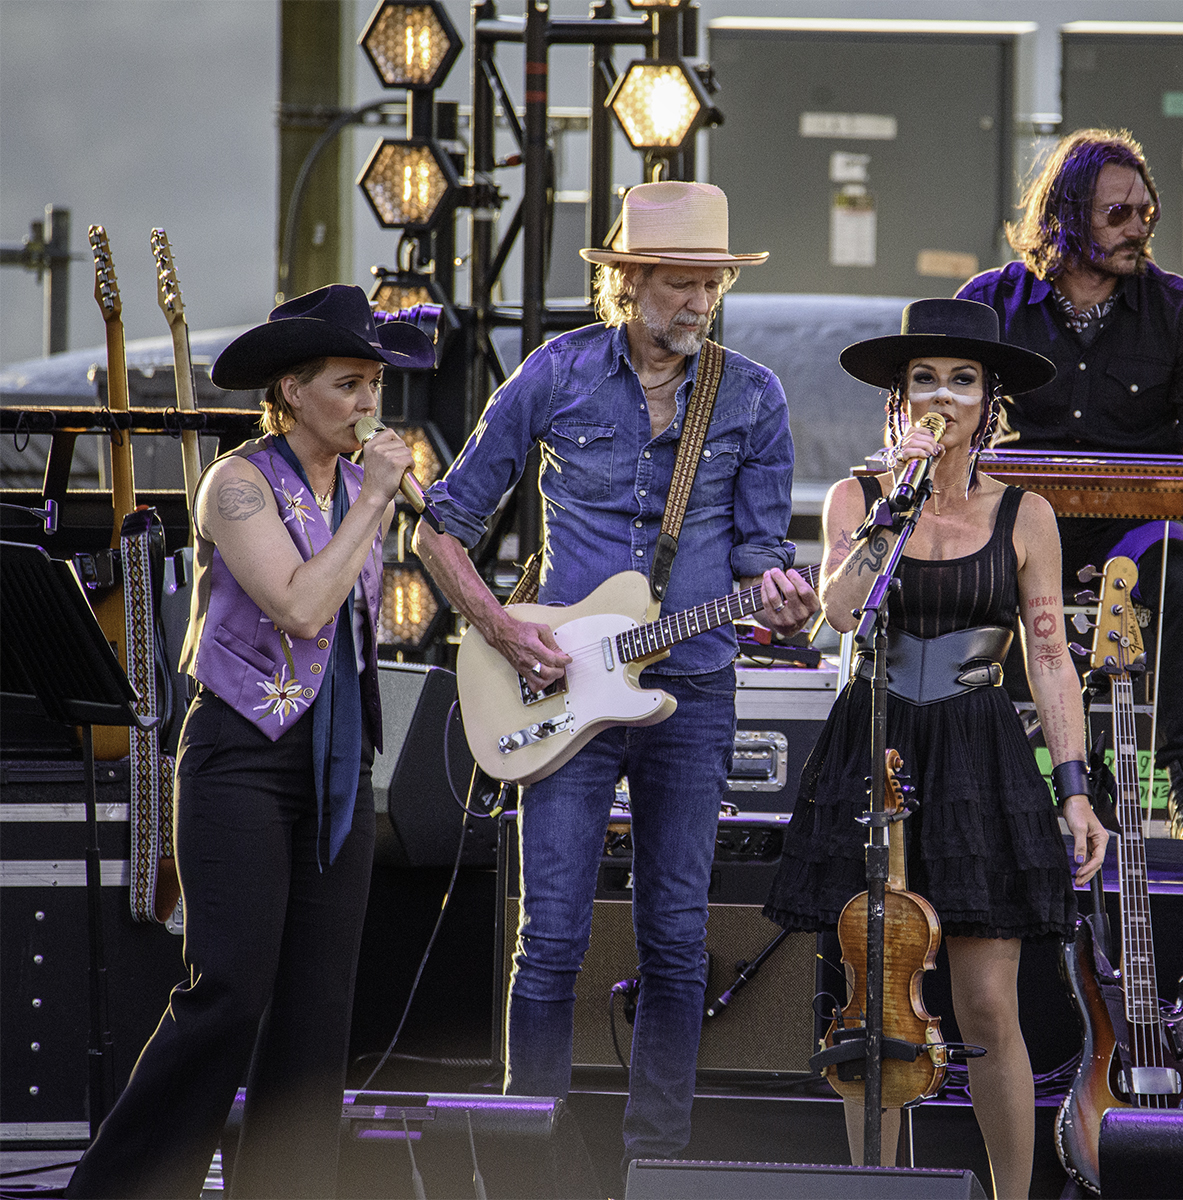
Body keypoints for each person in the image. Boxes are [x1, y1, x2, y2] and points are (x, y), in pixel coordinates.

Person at [411, 181, 818, 1167]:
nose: (697, 305)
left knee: (677, 937)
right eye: (679, 285)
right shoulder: (555, 376)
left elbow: (764, 554)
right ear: (628, 282)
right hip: (553, 685)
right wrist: (505, 632)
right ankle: (521, 1160)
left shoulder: (752, 394)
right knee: (549, 934)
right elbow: (439, 529)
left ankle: (658, 1168)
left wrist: (784, 594)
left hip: (697, 690)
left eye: (711, 287)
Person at [64, 286, 429, 1198]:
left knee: (317, 1018)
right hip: (240, 755)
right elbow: (303, 607)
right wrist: (375, 499)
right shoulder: (235, 482)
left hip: (339, 754)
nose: (367, 406)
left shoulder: (357, 486)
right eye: (348, 385)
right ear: (292, 389)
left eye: (374, 386)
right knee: (229, 989)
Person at [763, 298, 1110, 1200]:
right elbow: (838, 613)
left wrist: (1073, 789)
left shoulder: (1025, 514)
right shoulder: (859, 500)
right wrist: (896, 500)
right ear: (898, 399)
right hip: (875, 744)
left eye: (962, 381)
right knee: (874, 1002)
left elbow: (1050, 658)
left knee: (986, 1001)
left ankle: (1010, 1196)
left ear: (989, 400)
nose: (943, 397)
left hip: (978, 747)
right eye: (925, 381)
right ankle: (878, 1189)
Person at [958, 127, 1183, 811]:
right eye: (1118, 213)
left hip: (1133, 530)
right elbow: (937, 406)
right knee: (956, 575)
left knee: (1180, 573)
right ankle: (970, 777)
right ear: (1066, 216)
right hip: (1019, 526)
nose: (1138, 227)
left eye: (1147, 213)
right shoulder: (991, 303)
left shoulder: (1180, 311)